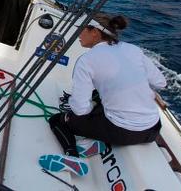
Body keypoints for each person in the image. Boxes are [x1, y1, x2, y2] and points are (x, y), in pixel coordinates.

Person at [39, 14, 166, 177]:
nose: (78, 34)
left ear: (95, 33)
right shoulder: (133, 49)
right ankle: (94, 143)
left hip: (124, 132)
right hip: (153, 129)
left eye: (81, 29)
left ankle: (72, 157)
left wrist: (89, 105)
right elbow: (161, 83)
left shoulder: (87, 60)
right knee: (99, 99)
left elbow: (80, 110)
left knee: (58, 120)